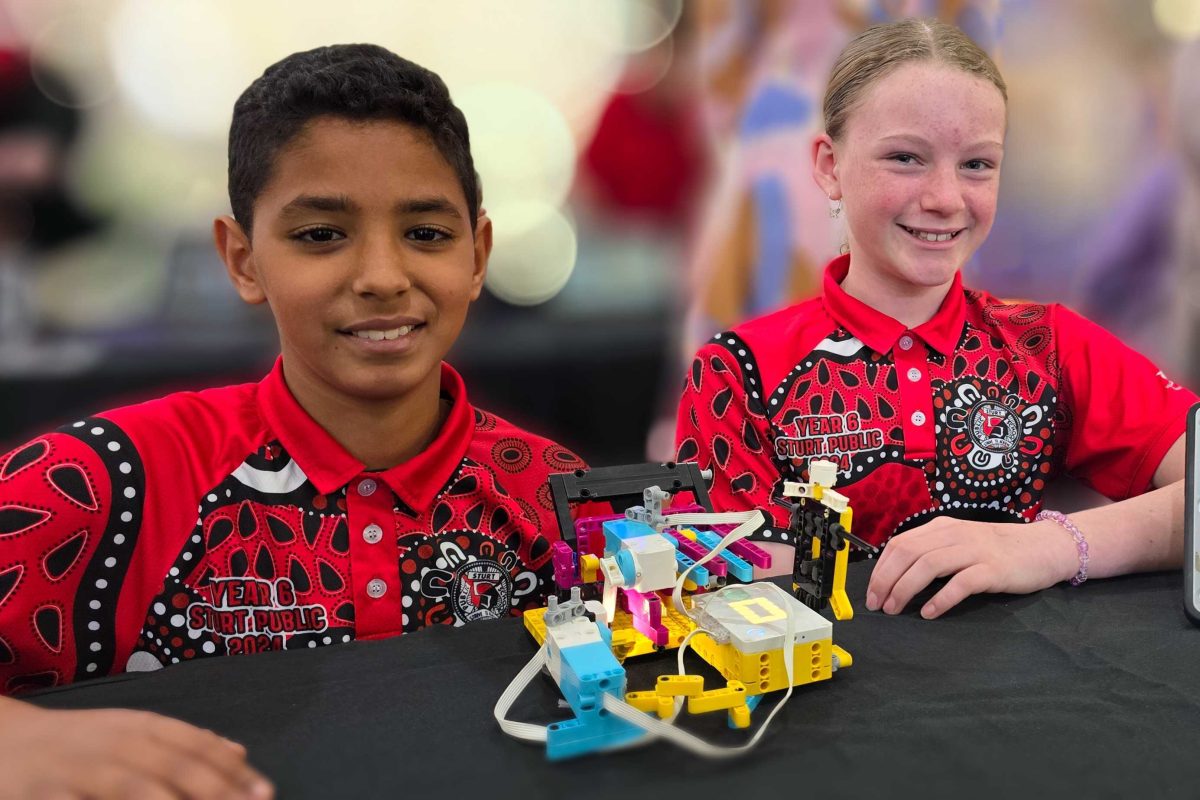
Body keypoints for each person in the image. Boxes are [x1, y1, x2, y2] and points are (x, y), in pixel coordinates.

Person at [0, 44, 585, 797]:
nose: (381, 276)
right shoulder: (106, 484)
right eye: (320, 235)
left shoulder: (560, 496)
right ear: (243, 259)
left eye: (427, 234)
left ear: (478, 255)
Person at [675, 19, 1196, 623]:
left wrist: (1054, 545)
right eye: (905, 158)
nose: (946, 197)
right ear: (829, 165)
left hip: (1028, 702)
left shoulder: (1045, 343)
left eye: (977, 164)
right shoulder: (738, 372)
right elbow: (710, 585)